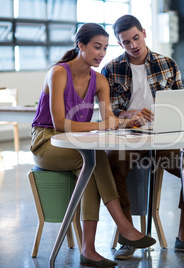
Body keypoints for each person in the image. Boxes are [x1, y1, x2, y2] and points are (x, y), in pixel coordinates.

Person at [30, 23, 156, 268]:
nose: (101, 53)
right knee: (94, 160)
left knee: (90, 169)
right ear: (80, 45)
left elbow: (108, 119)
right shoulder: (58, 73)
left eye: (105, 48)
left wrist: (127, 120)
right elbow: (60, 123)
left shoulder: (99, 81)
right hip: (47, 142)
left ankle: (88, 250)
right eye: (97, 47)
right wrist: (103, 125)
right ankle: (124, 226)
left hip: (76, 145)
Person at [101, 14, 184, 260]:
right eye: (126, 42)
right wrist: (130, 114)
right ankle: (129, 236)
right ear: (119, 44)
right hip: (128, 137)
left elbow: (182, 99)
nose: (133, 45)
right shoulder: (111, 69)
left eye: (136, 38)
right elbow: (108, 111)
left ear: (143, 32)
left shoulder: (167, 63)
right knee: (112, 166)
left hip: (161, 138)